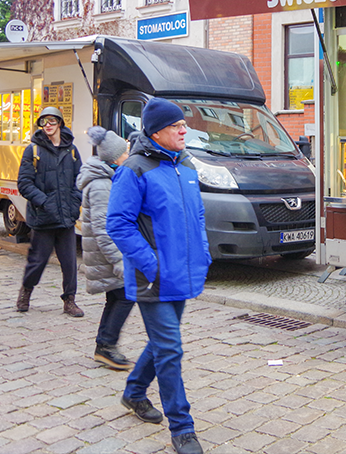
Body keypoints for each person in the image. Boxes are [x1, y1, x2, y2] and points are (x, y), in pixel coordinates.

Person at [106, 97, 211, 454]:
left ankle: (134, 392)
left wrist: (204, 253)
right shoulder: (133, 169)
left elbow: (197, 216)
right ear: (155, 132)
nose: (184, 130)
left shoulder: (186, 165)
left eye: (184, 124)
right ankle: (183, 428)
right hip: (153, 278)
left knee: (163, 343)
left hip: (184, 273)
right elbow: (118, 224)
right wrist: (151, 265)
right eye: (176, 126)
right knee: (170, 349)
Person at [15, 107, 84, 317]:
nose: (48, 126)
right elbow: (24, 183)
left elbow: (79, 181)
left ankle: (69, 300)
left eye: (52, 121)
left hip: (66, 218)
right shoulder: (33, 150)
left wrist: (74, 202)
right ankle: (26, 292)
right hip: (43, 218)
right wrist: (45, 202)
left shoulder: (71, 150)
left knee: (69, 263)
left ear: (60, 124)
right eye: (44, 122)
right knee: (37, 262)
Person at [79, 126, 135, 371]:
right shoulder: (102, 184)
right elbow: (103, 229)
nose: (128, 155)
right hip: (106, 254)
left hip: (105, 253)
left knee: (115, 296)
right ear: (115, 158)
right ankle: (107, 346)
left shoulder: (107, 177)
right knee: (125, 295)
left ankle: (104, 345)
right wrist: (119, 260)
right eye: (125, 152)